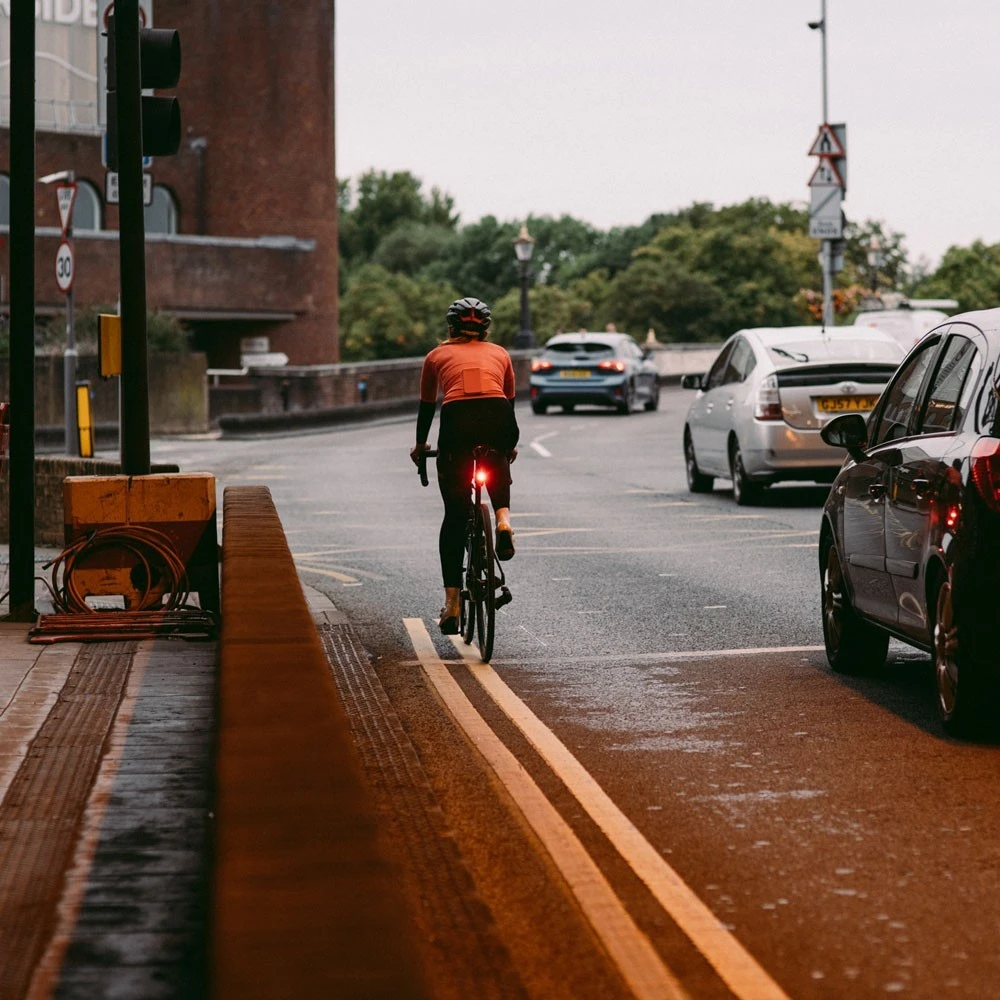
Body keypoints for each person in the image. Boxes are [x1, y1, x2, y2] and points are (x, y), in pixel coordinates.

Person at [410, 297, 519, 634]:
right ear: (485, 329)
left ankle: (453, 605)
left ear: (451, 327)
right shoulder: (500, 354)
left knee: (455, 516)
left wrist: (420, 445)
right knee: (496, 458)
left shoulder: (436, 356)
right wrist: (507, 448)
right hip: (499, 416)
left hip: (458, 422)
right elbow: (509, 402)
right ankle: (503, 521)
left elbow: (427, 407)